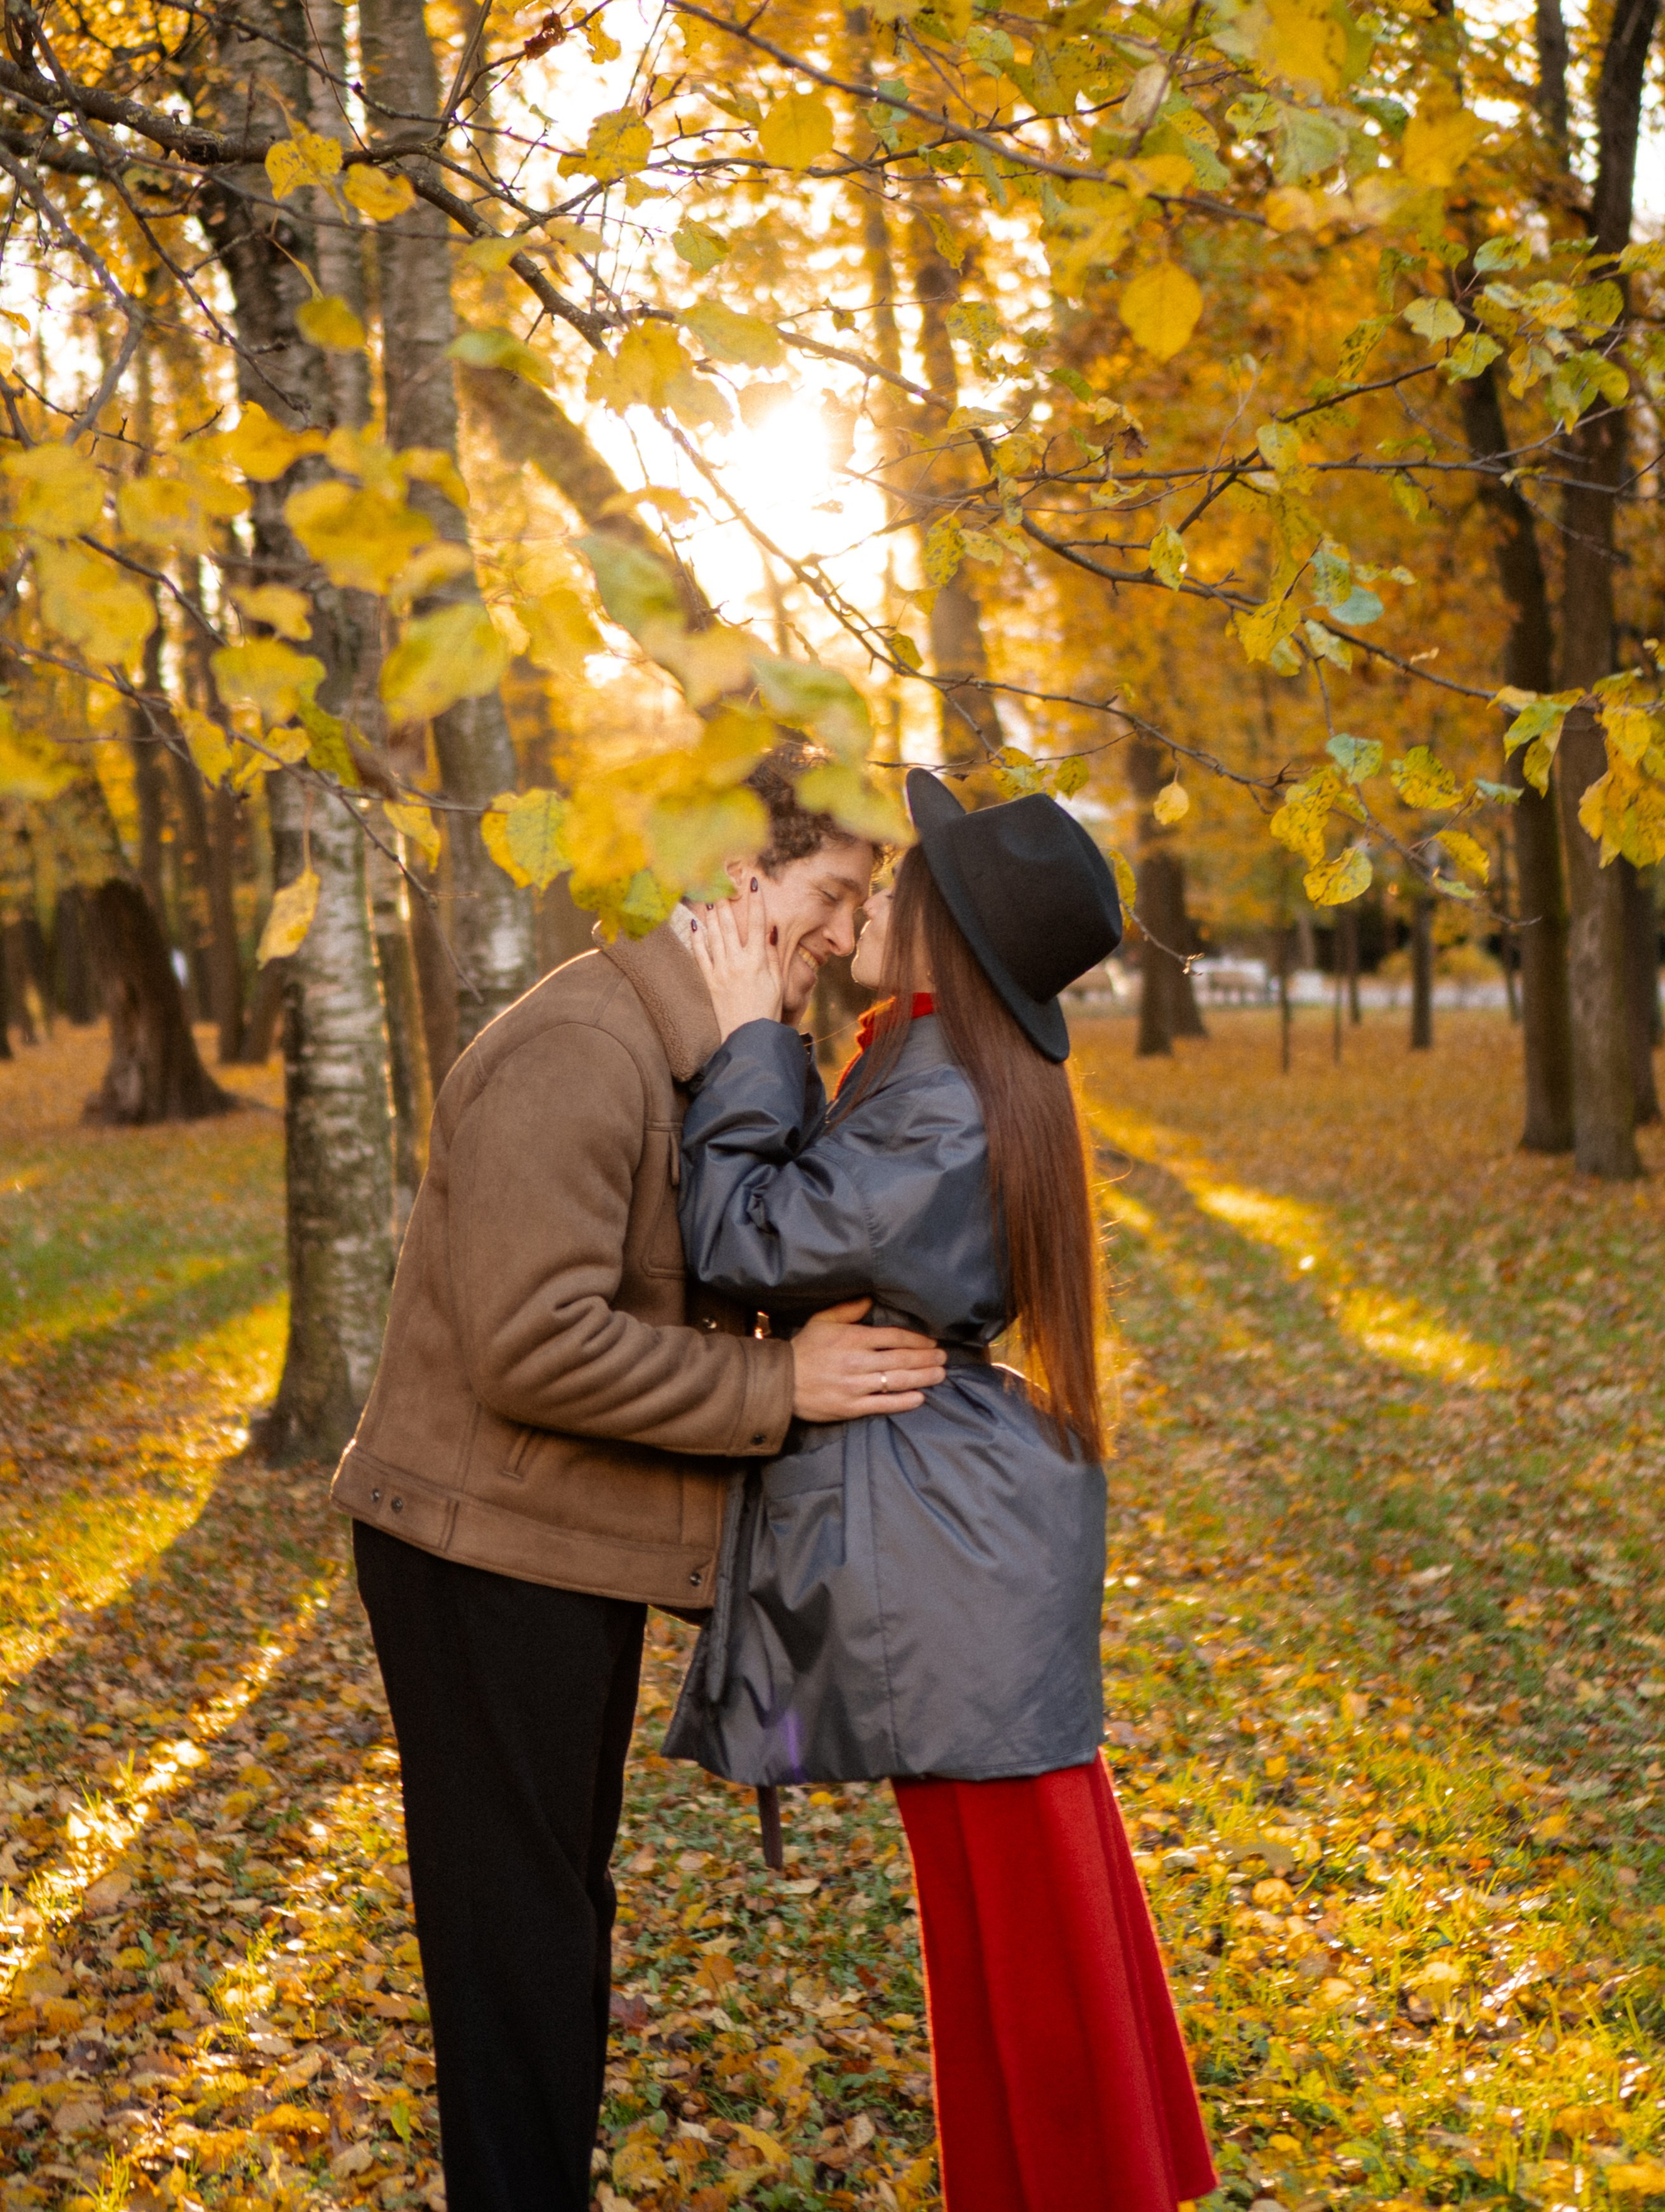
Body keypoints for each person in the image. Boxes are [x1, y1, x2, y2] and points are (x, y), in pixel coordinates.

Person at [330, 750, 948, 2212]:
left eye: (860, 902)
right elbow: (532, 1346)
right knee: (516, 1939)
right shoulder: (584, 1046)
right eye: (829, 894)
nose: (846, 933)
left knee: (551, 1917)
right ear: (739, 875)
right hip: (477, 1555)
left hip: (557, 1543)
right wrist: (781, 1390)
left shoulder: (717, 1043)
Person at [666, 769, 1217, 2212]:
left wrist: (749, 1039)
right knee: (1006, 1923)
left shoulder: (940, 1098)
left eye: (901, 885)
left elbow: (749, 1236)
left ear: (950, 937)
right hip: (956, 1540)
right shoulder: (924, 1066)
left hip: (952, 1555)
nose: (875, 900)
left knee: (1029, 1928)